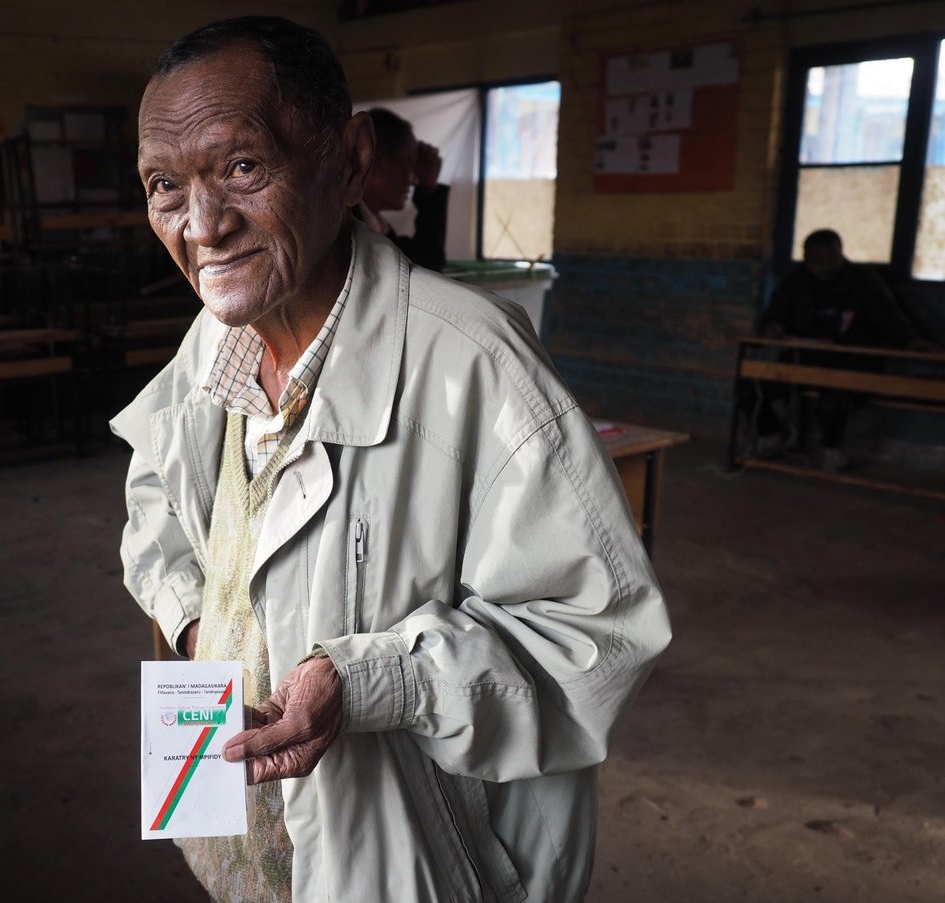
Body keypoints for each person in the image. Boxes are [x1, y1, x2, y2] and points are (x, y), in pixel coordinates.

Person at [113, 16, 670, 903]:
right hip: (245, 842)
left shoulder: (475, 358)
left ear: (345, 157)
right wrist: (197, 625)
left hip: (418, 868)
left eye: (243, 167)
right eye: (165, 185)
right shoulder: (207, 344)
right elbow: (157, 504)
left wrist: (373, 679)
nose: (204, 225)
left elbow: (598, 635)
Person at [743, 229, 935, 469]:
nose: (820, 267)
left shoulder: (862, 280)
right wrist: (772, 327)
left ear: (839, 255)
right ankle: (770, 436)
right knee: (749, 387)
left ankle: (831, 449)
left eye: (826, 260)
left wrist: (911, 341)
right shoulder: (798, 280)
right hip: (805, 357)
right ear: (805, 257)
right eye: (814, 261)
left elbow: (888, 316)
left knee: (832, 402)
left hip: (850, 359)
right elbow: (775, 314)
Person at [356, 107, 449, 271]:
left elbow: (426, 264)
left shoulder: (372, 225)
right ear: (377, 164)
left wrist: (427, 190)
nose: (414, 180)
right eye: (410, 165)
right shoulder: (344, 229)